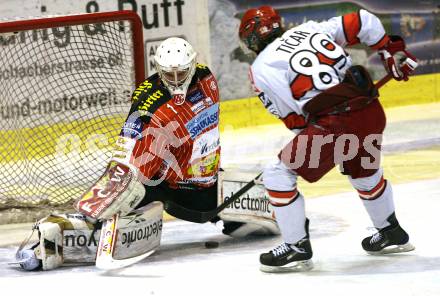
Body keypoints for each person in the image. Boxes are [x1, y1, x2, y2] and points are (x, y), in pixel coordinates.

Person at [16, 37, 277, 271]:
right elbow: (128, 143)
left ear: (193, 66)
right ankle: (57, 234)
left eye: (181, 73)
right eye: (168, 74)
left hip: (205, 185)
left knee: (240, 217)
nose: (175, 80)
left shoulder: (207, 78)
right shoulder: (148, 101)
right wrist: (115, 185)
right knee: (116, 208)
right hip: (164, 184)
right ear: (159, 70)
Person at [238, 6, 418, 272]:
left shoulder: (262, 66)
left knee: (278, 174)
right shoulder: (310, 28)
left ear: (251, 38)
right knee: (364, 174)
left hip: (335, 125)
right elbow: (362, 20)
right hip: (370, 112)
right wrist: (387, 50)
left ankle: (296, 247)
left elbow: (294, 117)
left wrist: (319, 144)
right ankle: (390, 232)